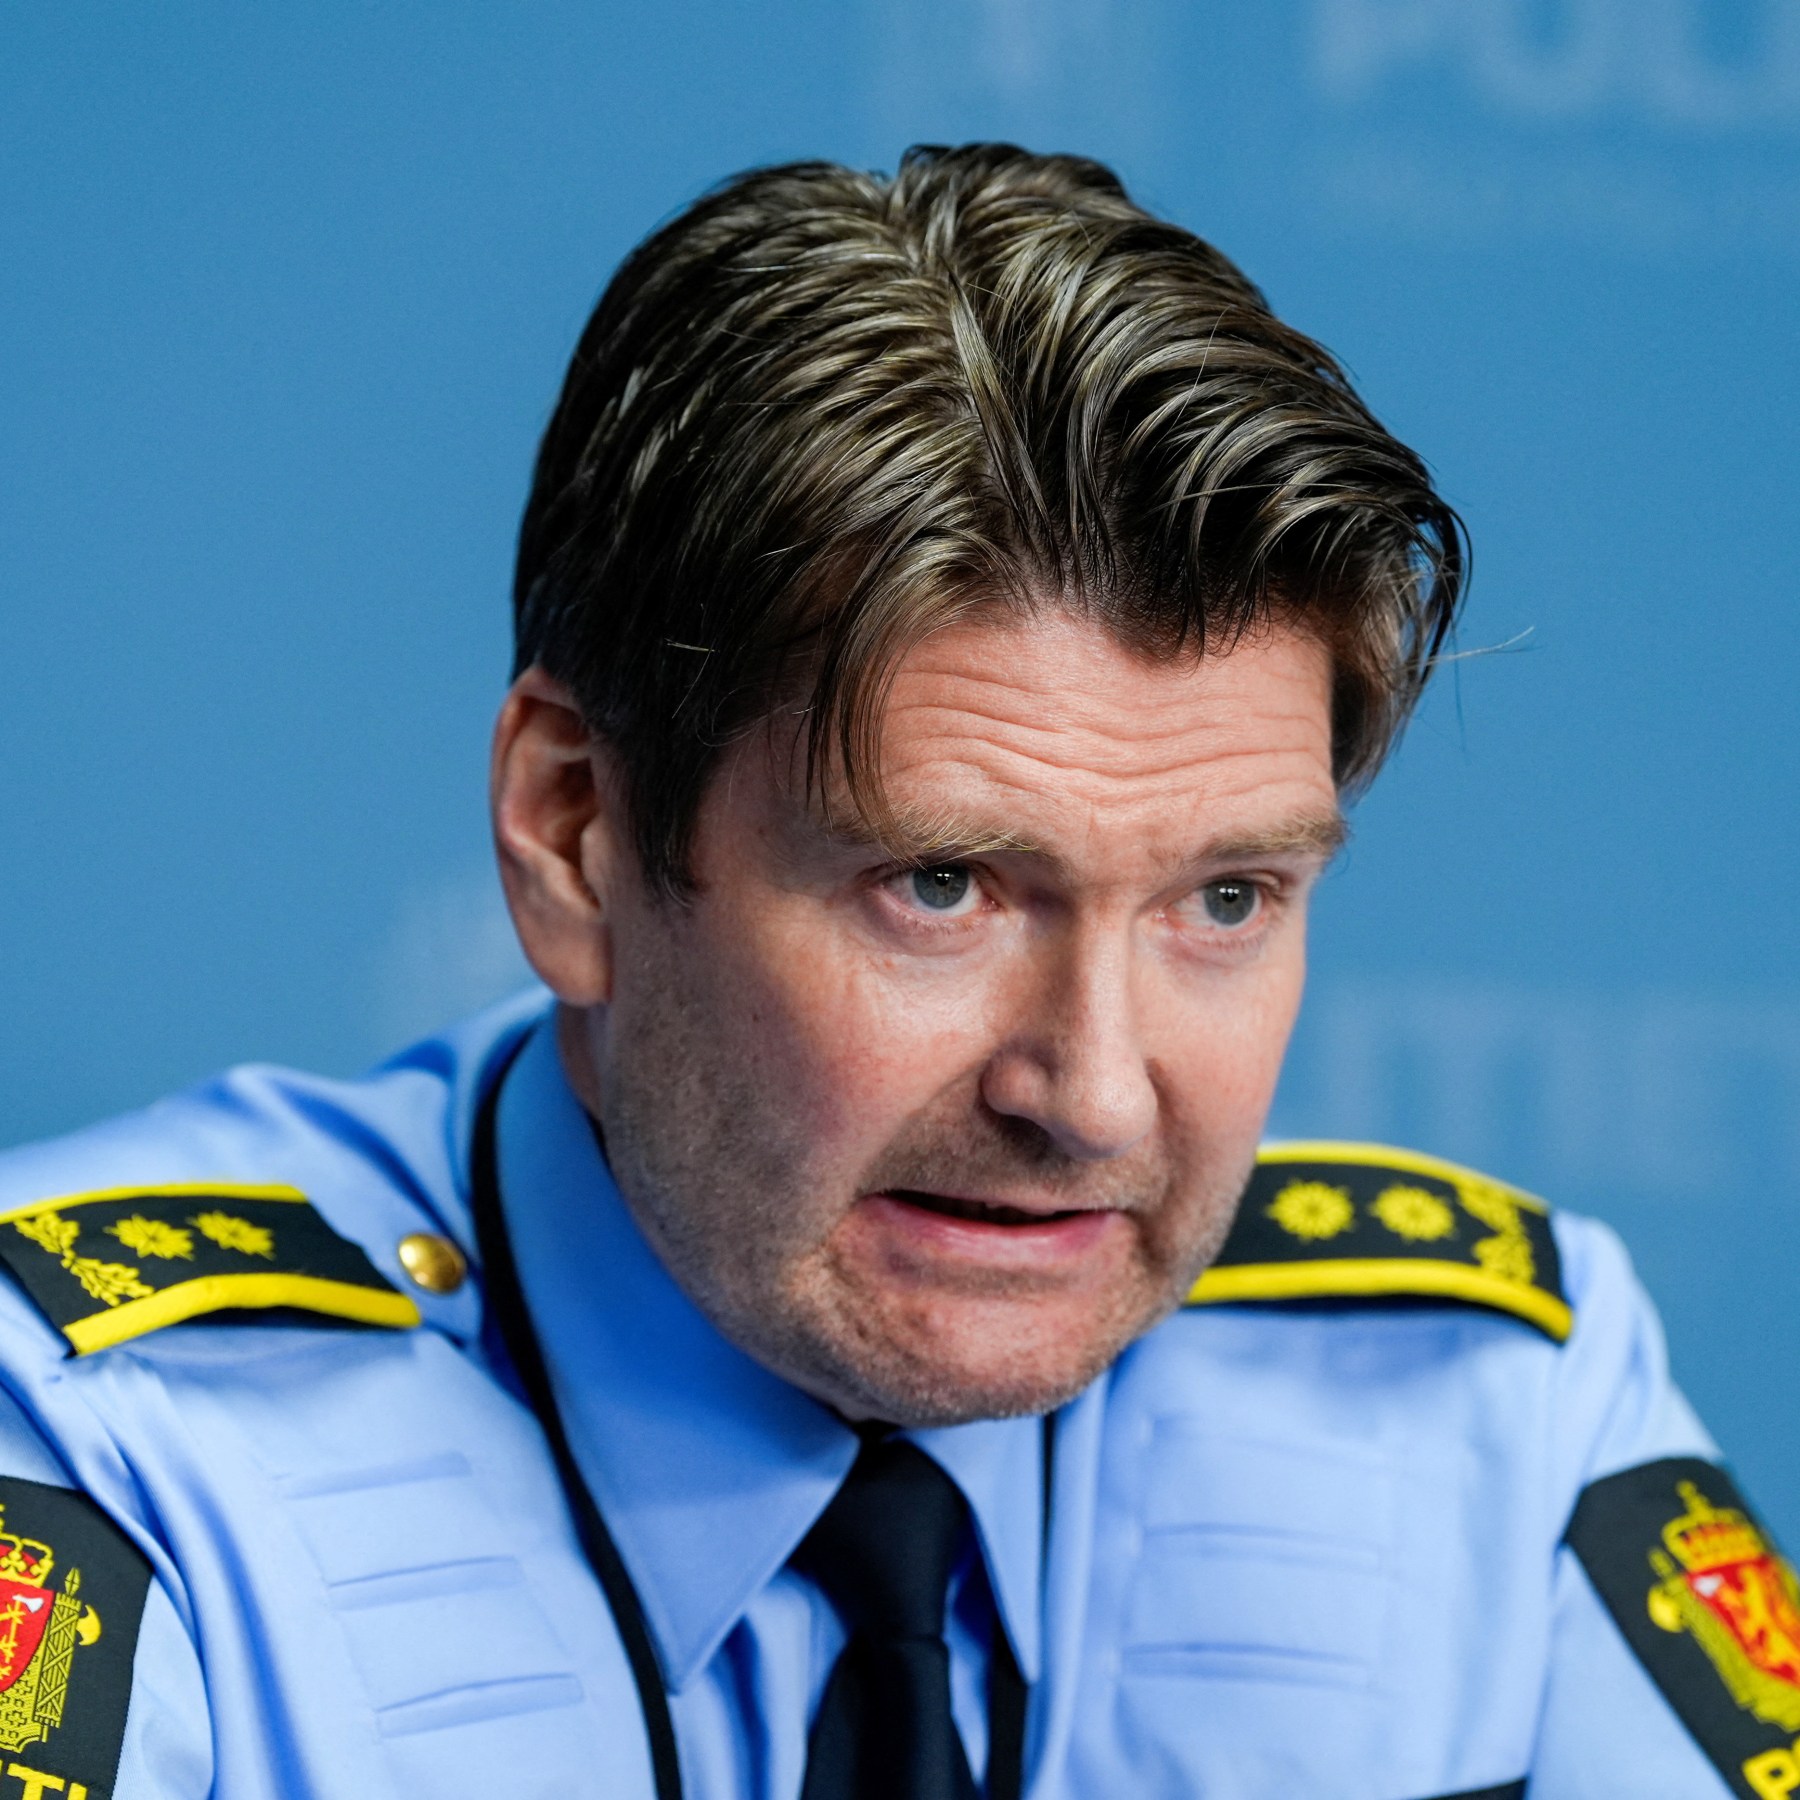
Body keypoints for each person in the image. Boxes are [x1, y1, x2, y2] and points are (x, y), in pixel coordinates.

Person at [0, 144, 1786, 1800]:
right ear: (575, 835)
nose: (1092, 1098)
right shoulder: (108, 1452)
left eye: (1226, 899)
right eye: (942, 887)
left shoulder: (1494, 1409)